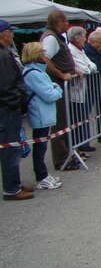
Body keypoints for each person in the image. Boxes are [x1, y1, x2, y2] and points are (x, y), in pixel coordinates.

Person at [40, 10, 79, 170]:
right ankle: (62, 159)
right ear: (59, 22)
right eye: (66, 21)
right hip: (56, 85)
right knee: (60, 123)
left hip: (60, 84)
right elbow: (43, 58)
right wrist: (61, 74)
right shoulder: (51, 38)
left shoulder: (54, 36)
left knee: (64, 121)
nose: (67, 24)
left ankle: (67, 154)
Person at [21, 42, 64, 190]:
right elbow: (49, 94)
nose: (44, 56)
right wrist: (58, 89)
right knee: (40, 147)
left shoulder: (37, 72)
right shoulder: (33, 73)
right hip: (40, 114)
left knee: (42, 146)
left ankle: (43, 174)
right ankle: (41, 176)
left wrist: (53, 88)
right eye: (41, 53)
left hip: (44, 113)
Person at [0, 19, 32, 200]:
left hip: (9, 108)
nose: (12, 34)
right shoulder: (2, 55)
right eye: (9, 31)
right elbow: (6, 86)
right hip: (7, 110)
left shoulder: (5, 52)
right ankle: (11, 189)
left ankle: (15, 183)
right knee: (9, 149)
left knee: (13, 148)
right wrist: (17, 103)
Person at [67, 26, 98, 153]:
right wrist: (88, 68)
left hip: (83, 89)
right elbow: (85, 68)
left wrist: (89, 68)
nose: (85, 38)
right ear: (77, 38)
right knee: (78, 118)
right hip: (76, 91)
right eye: (84, 36)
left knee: (84, 116)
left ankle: (84, 142)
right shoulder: (71, 50)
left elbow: (92, 66)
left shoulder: (81, 50)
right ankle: (79, 144)